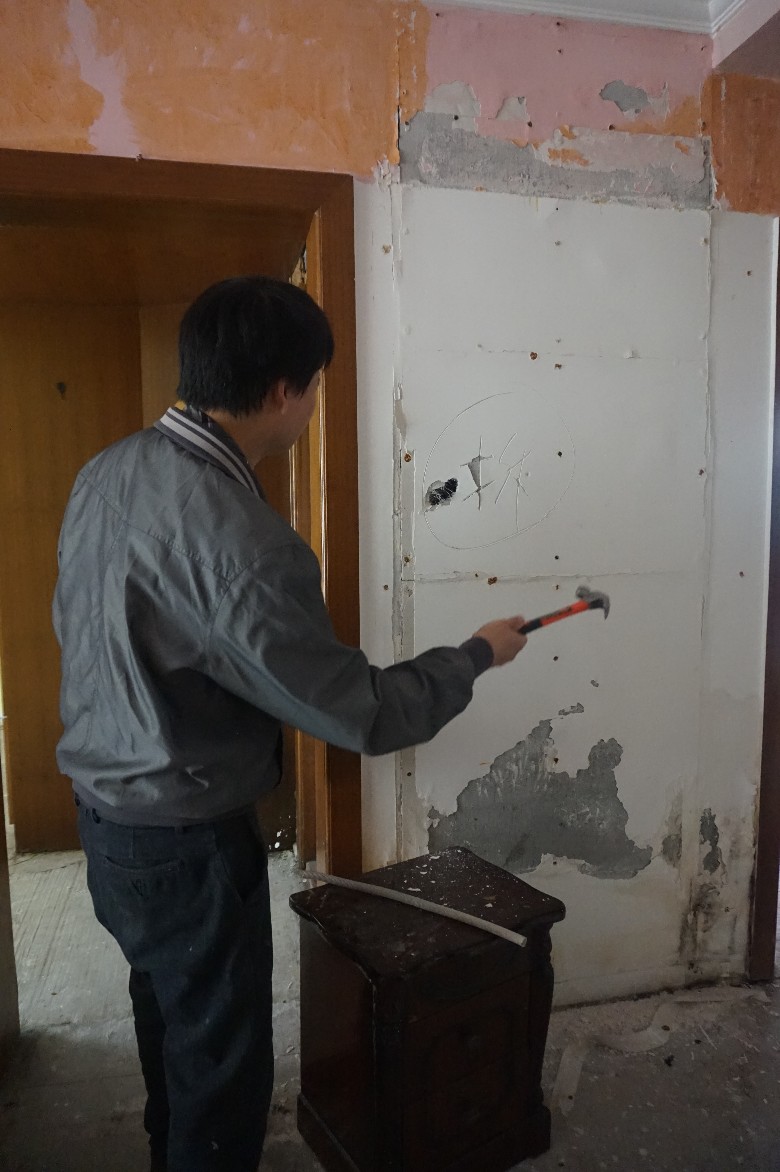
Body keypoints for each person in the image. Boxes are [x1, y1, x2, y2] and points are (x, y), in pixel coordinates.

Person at [52, 275, 528, 1172]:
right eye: (315, 388)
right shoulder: (246, 546)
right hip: (186, 844)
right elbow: (363, 712)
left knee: (170, 1023)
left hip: (106, 821)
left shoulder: (107, 470)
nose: (314, 407)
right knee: (221, 1078)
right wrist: (474, 655)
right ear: (282, 392)